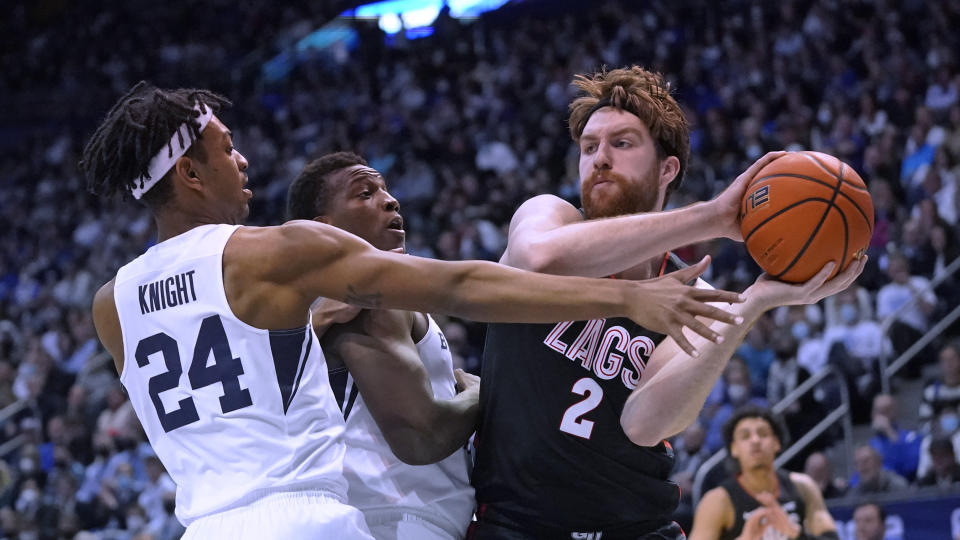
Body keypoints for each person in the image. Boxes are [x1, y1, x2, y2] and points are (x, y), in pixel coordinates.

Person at [79, 82, 742, 539]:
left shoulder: (110, 305)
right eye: (225, 147)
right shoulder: (272, 254)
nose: (242, 158)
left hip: (203, 524)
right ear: (189, 175)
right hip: (310, 518)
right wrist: (625, 297)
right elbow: (456, 287)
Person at [470, 65, 863, 539]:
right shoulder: (548, 215)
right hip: (519, 525)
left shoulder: (689, 291)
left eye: (622, 143)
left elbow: (645, 422)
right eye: (589, 146)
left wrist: (754, 301)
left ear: (667, 168)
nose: (600, 158)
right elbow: (538, 258)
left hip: (636, 526)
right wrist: (712, 217)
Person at [285, 151, 478, 539]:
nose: (390, 200)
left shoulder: (303, 315)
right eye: (364, 193)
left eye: (385, 190)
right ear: (323, 228)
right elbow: (421, 435)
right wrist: (484, 394)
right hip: (395, 521)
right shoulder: (367, 299)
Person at [690, 406, 839, 540]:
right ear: (734, 448)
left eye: (763, 433)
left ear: (776, 443)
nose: (755, 440)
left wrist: (795, 533)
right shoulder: (718, 500)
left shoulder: (803, 486)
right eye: (745, 436)